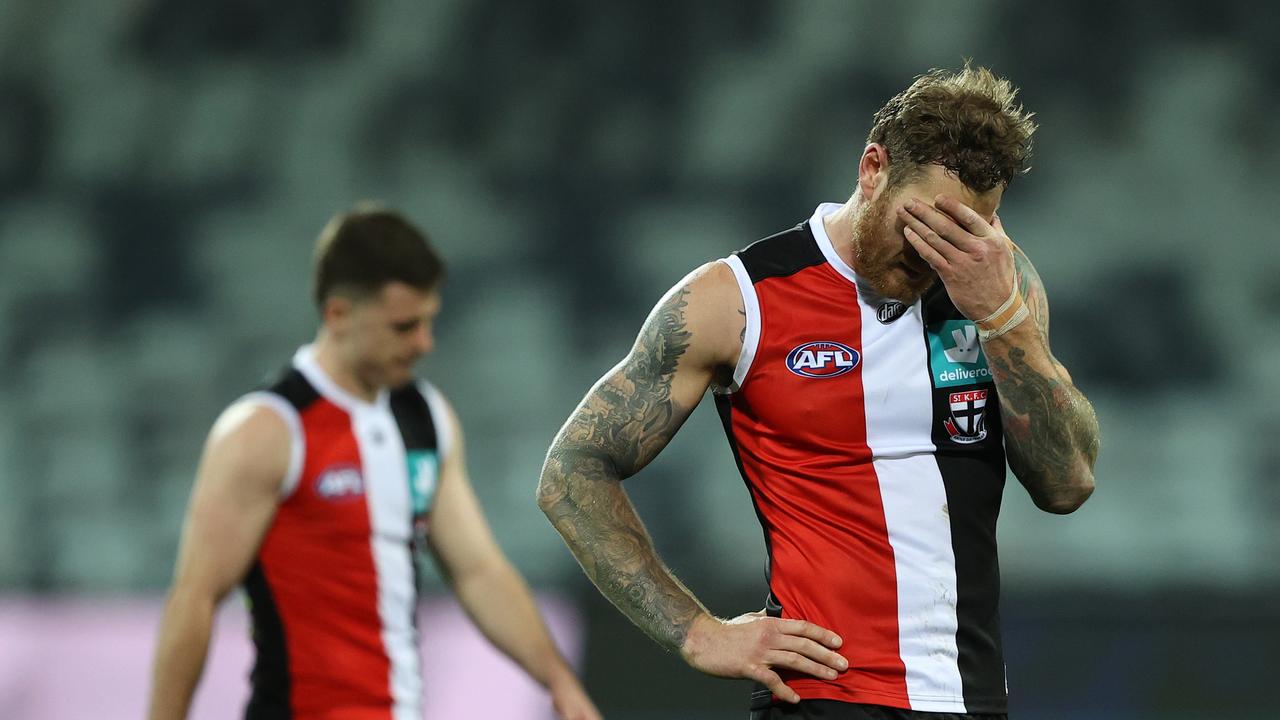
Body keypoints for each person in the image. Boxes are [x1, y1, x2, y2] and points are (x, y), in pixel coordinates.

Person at [537, 63, 1100, 720]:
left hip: (971, 699)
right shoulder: (737, 301)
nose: (934, 258)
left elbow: (1067, 484)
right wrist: (695, 632)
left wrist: (1003, 319)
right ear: (873, 169)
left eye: (963, 235)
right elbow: (571, 470)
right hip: (823, 701)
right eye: (921, 227)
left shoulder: (996, 286)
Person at [149, 207, 601, 720]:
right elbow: (196, 599)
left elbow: (478, 572)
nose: (424, 343)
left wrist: (558, 680)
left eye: (429, 322)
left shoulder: (426, 418)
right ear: (338, 314)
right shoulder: (267, 431)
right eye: (404, 326)